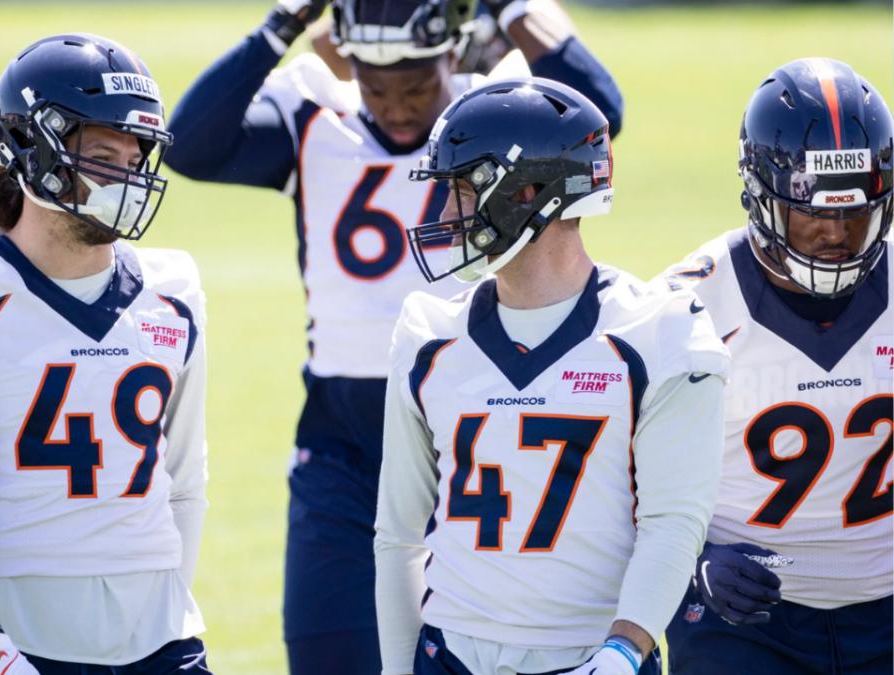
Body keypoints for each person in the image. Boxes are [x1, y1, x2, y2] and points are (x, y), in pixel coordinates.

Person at [164, 1, 623, 672]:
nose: (398, 107)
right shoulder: (315, 116)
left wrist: (511, 8)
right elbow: (192, 144)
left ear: (454, 55)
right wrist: (280, 26)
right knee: (327, 650)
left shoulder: (488, 117)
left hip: (466, 425)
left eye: (416, 87)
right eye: (376, 87)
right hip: (341, 433)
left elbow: (599, 117)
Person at [375, 77, 729, 675]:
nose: (444, 213)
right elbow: (398, 536)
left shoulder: (655, 331)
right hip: (452, 655)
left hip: (593, 658)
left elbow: (673, 524)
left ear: (529, 193)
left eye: (461, 190)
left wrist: (621, 654)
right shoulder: (428, 333)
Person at [0, 34, 211, 675]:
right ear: (31, 149)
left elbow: (183, 482)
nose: (127, 174)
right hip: (16, 641)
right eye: (101, 154)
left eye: (136, 153)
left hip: (163, 641)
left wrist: (166, 604)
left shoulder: (173, 290)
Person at [660, 58, 892, 675]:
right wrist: (691, 558)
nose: (835, 234)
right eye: (814, 212)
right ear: (761, 197)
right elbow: (616, 474)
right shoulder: (688, 304)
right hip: (742, 615)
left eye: (854, 213)